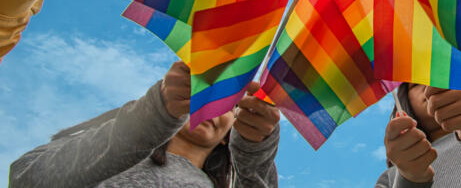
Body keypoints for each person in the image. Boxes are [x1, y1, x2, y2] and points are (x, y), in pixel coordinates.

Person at [9, 61, 281, 187]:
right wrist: (153, 114)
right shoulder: (107, 146)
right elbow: (26, 177)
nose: (210, 104)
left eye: (227, 103)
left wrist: (256, 152)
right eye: (202, 90)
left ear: (228, 135)